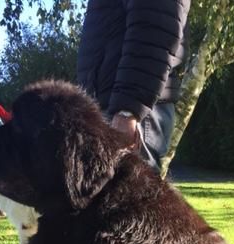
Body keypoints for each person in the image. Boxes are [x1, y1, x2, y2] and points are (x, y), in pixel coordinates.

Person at [76, 0, 191, 172]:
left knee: (130, 188)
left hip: (131, 107)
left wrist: (128, 111)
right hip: (111, 104)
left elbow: (153, 27)